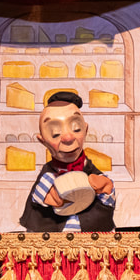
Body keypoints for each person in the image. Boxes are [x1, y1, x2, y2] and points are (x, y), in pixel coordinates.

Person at [19, 91, 116, 232]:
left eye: (76, 129)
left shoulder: (90, 170)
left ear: (85, 130)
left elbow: (107, 202)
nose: (68, 138)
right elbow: (38, 194)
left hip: (91, 241)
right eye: (55, 133)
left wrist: (106, 188)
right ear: (42, 140)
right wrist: (47, 193)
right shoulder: (47, 177)